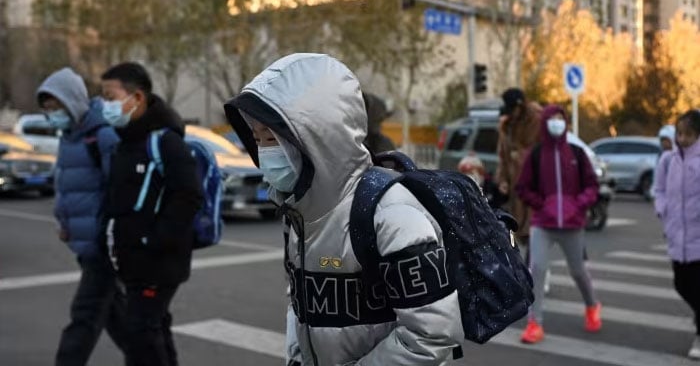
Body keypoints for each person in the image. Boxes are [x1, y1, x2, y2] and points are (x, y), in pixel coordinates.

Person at [224, 53, 463, 365]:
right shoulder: (300, 210)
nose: (263, 151)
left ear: (318, 135)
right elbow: (300, 303)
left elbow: (432, 336)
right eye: (256, 139)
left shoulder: (393, 213)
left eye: (272, 137)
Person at [101, 62, 203, 366]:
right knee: (153, 329)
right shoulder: (127, 142)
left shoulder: (165, 142)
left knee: (141, 335)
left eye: (110, 96)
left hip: (157, 261)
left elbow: (189, 194)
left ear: (138, 97)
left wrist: (152, 239)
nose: (104, 105)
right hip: (132, 260)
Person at [37, 68, 127, 366]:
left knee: (85, 316)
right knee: (115, 315)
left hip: (101, 243)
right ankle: (149, 357)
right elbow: (67, 187)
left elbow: (117, 188)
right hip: (83, 240)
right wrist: (64, 223)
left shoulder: (101, 134)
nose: (53, 115)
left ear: (72, 101)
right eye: (48, 109)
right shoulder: (70, 135)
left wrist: (107, 233)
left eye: (56, 107)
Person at [515, 104, 601, 344]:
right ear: (544, 122)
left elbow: (592, 186)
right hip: (543, 222)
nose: (556, 122)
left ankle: (592, 305)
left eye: (560, 118)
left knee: (578, 271)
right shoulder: (536, 154)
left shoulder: (576, 153)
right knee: (537, 269)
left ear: (565, 123)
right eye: (551, 118)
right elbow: (522, 187)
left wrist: (578, 204)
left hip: (572, 223)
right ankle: (535, 324)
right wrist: (542, 203)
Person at [654, 110, 700, 359]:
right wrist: (663, 210)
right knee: (681, 285)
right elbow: (659, 189)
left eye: (688, 135)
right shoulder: (668, 161)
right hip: (676, 235)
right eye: (679, 134)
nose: (682, 139)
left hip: (698, 236)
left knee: (696, 286)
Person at [496, 88, 542, 250]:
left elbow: (539, 152)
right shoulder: (507, 124)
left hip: (532, 186)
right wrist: (502, 179)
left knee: (532, 233)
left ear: (520, 106)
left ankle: (535, 272)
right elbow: (503, 155)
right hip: (514, 186)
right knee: (517, 232)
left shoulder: (535, 120)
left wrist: (519, 155)